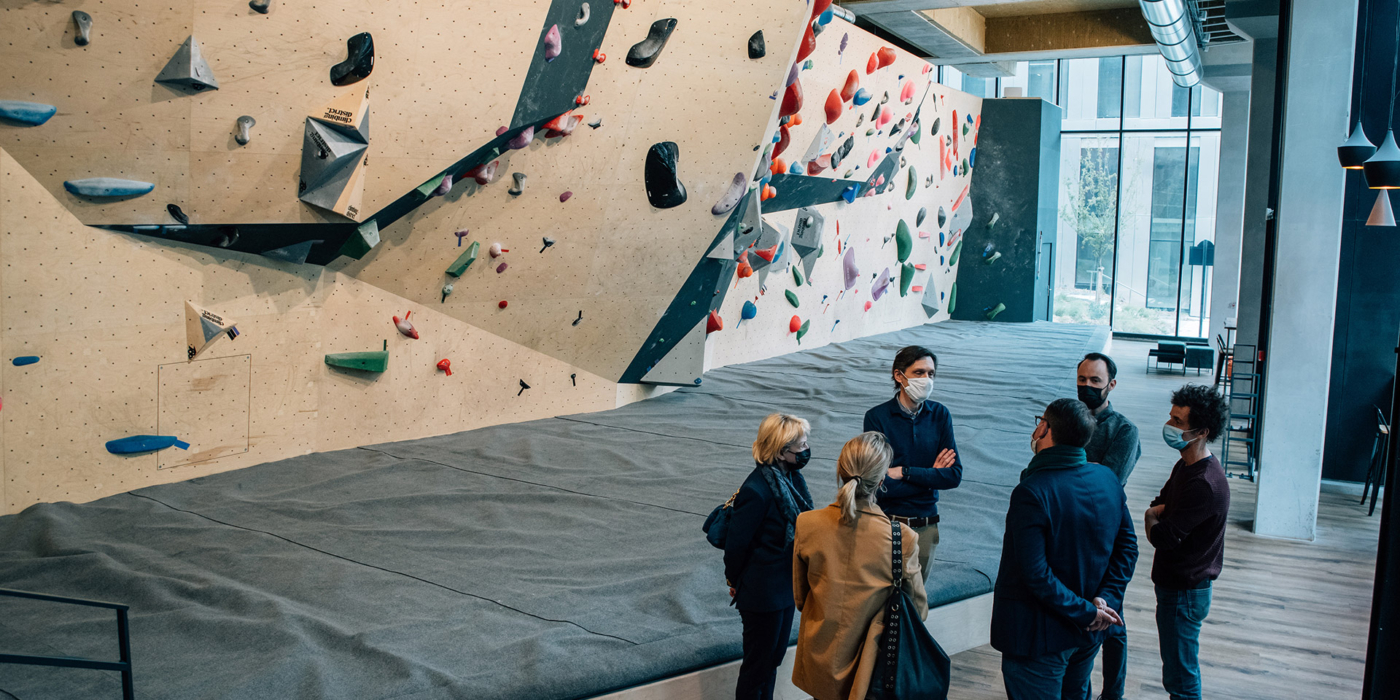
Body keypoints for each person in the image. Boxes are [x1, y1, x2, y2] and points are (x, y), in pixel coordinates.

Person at [991, 398, 1138, 700]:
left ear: (1044, 428)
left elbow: (1035, 574)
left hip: (1040, 638)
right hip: (1089, 633)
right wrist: (1104, 602)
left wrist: (1086, 612)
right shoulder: (1107, 479)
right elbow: (1128, 549)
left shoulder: (1033, 492)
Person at [791, 432, 927, 700]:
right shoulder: (903, 538)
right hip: (872, 668)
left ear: (840, 470)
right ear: (881, 479)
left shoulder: (807, 524)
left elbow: (800, 597)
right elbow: (918, 610)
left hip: (820, 658)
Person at [1146, 385, 1231, 700]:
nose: (1170, 426)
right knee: (1177, 672)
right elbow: (1162, 502)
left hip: (1184, 593)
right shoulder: (1186, 465)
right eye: (1171, 418)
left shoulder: (1204, 484)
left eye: (1178, 422)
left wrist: (1149, 517)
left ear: (1202, 431)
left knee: (1182, 681)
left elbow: (1163, 536)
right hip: (1176, 589)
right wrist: (1158, 513)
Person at [724, 413, 816, 700]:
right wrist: (733, 579)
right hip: (762, 594)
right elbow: (735, 546)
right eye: (800, 445)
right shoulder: (757, 490)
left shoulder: (790, 479)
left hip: (784, 588)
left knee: (771, 662)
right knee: (757, 668)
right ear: (780, 451)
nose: (806, 450)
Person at [862, 345, 962, 581]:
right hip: (888, 524)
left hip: (927, 526)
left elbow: (953, 475)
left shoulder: (940, 415)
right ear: (899, 375)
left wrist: (904, 472)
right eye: (919, 372)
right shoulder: (877, 417)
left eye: (931, 373)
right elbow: (879, 485)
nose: (926, 379)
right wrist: (931, 476)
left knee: (916, 604)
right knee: (883, 600)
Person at [1076, 352, 1141, 700]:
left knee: (1112, 619)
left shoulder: (1124, 431)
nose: (1087, 386)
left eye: (1095, 381)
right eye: (1082, 380)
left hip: (1106, 534)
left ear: (1111, 385)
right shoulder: (1067, 419)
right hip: (1070, 531)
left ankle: (1113, 693)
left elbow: (1108, 484)